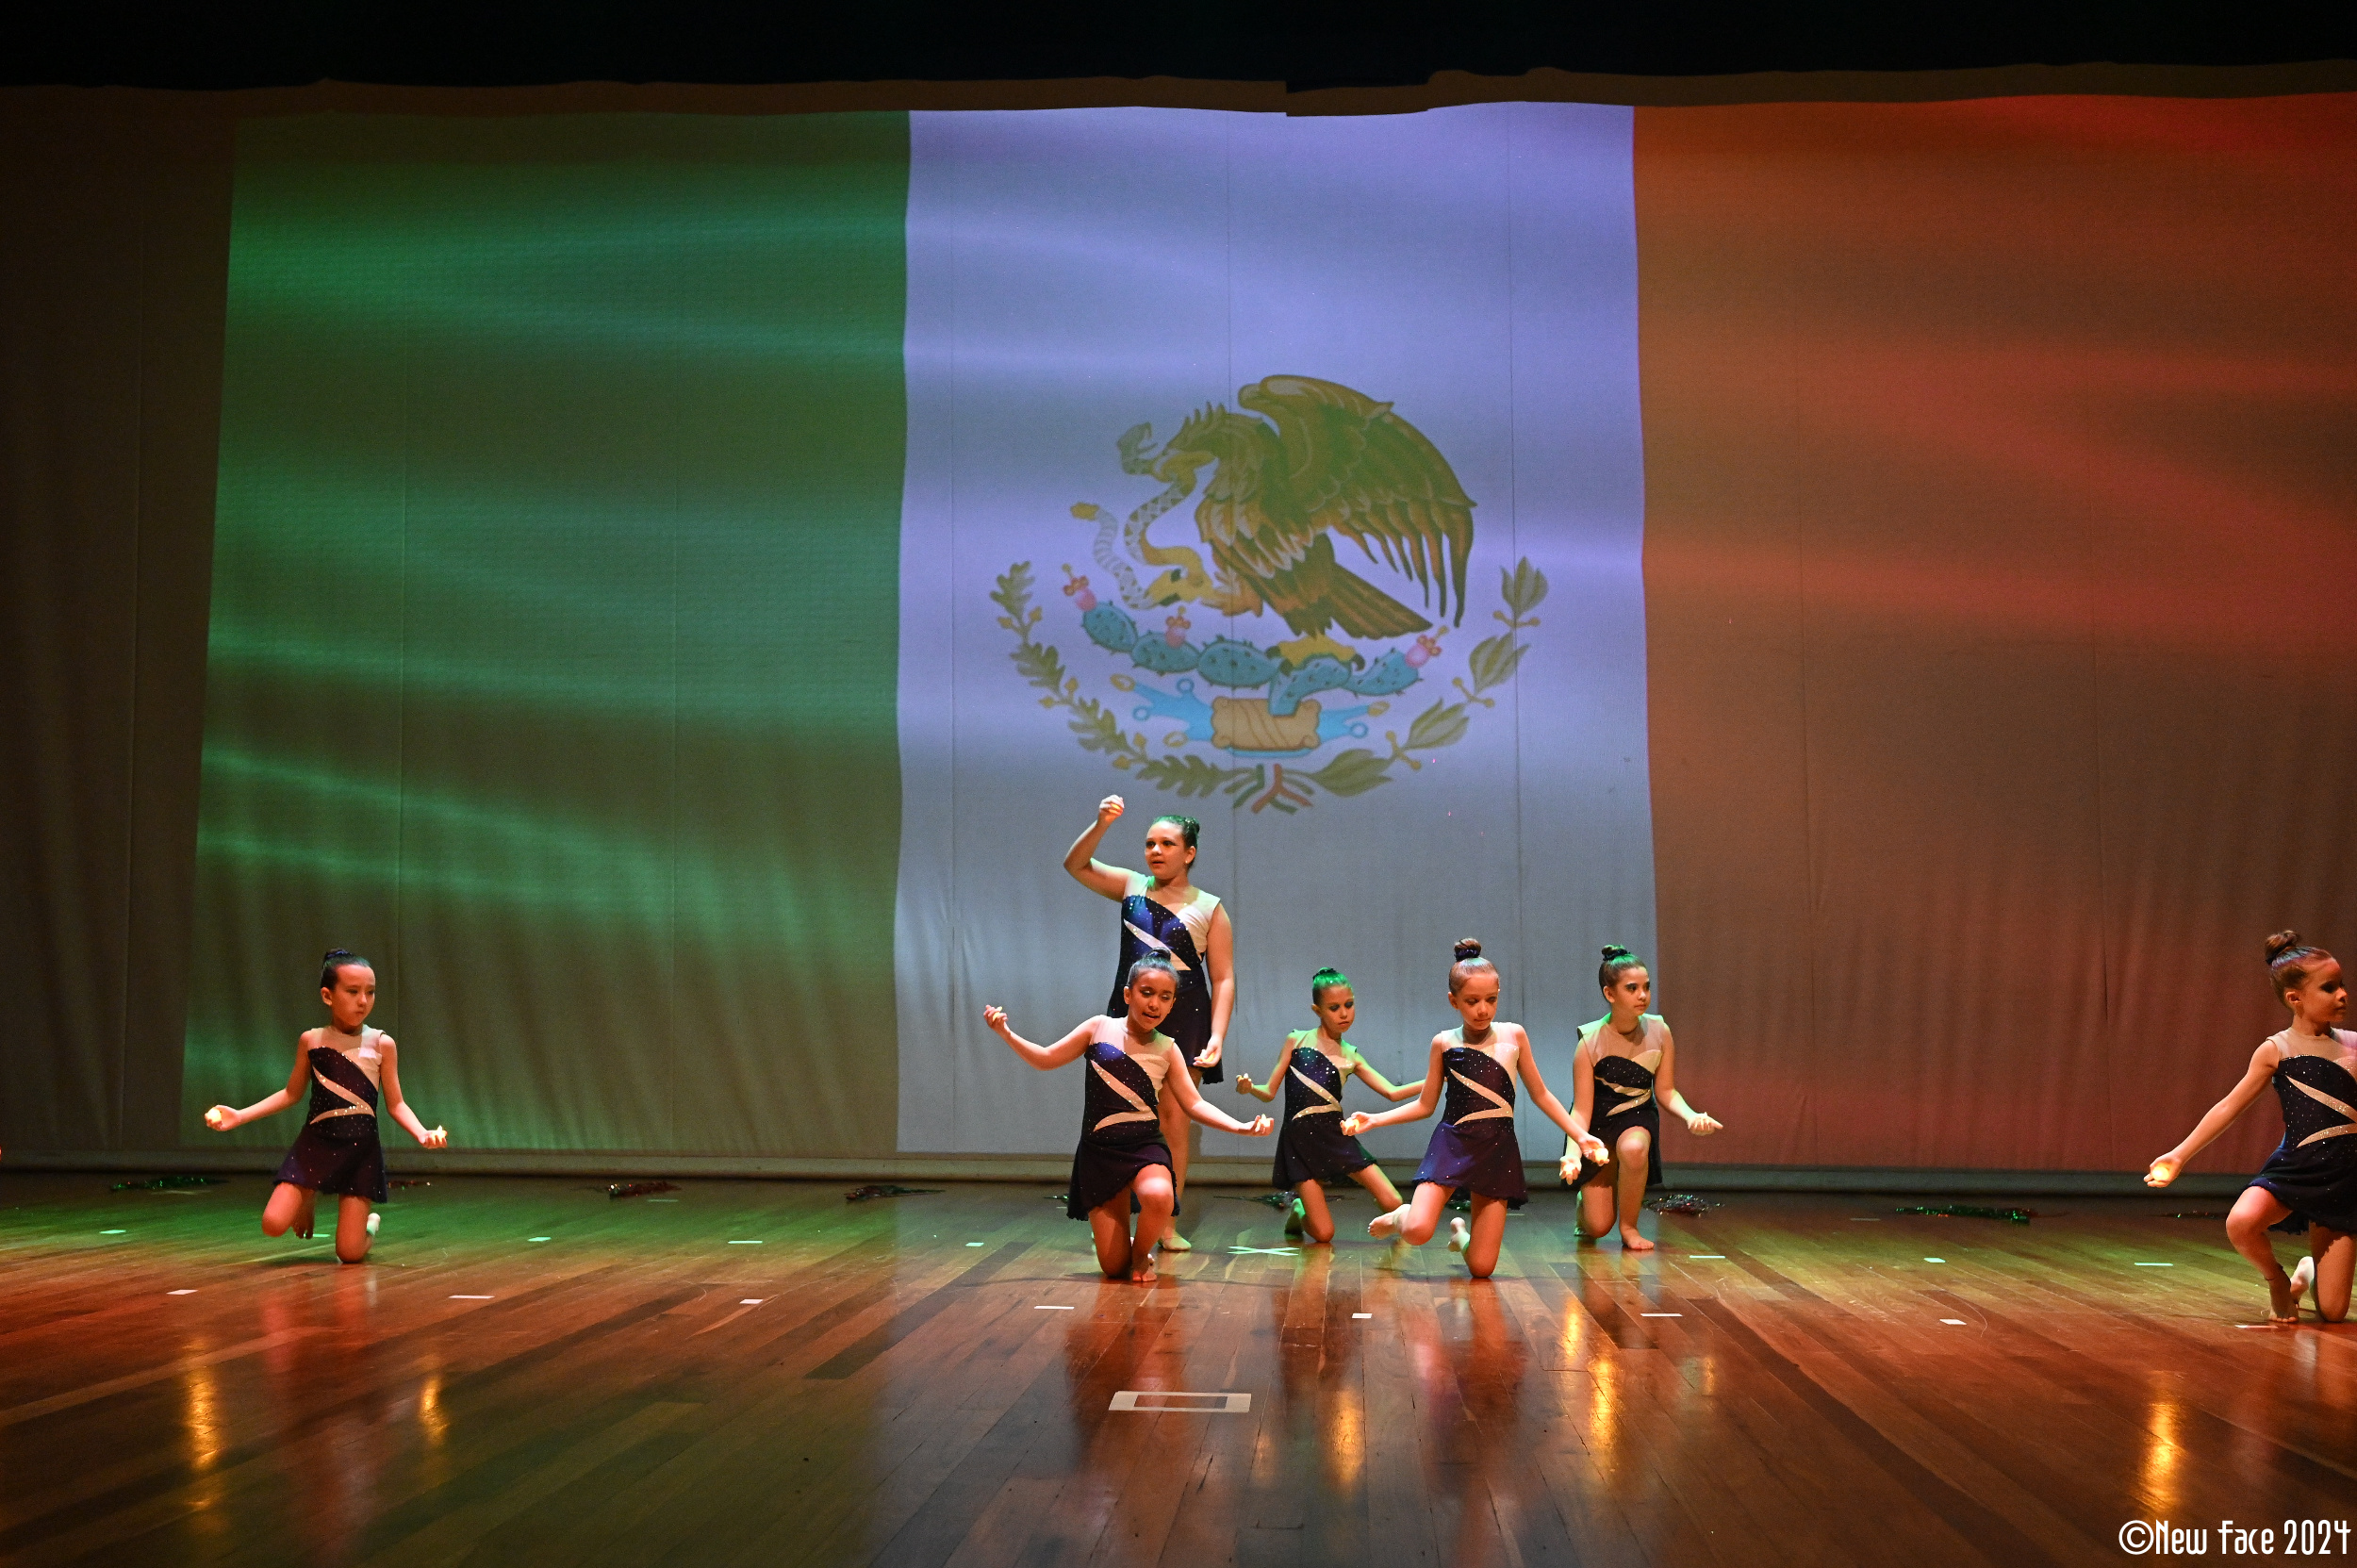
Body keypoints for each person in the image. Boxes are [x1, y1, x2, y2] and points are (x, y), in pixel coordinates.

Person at [985, 954, 1271, 1282]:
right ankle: (1126, 1251)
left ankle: (1140, 1256)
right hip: (1099, 1152)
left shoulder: (1168, 1048)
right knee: (1112, 1268)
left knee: (1160, 1196)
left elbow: (1194, 1104)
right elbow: (1046, 1059)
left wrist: (1240, 1127)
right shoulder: (1098, 1028)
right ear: (1127, 994)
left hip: (1144, 1146)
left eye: (1165, 997)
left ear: (1173, 1004)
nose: (1154, 1003)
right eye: (1146, 993)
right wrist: (1006, 1033)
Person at [1343, 939, 1607, 1279]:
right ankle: (1400, 1217)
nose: (1483, 1009)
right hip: (1453, 1142)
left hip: (1497, 1148)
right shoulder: (1444, 1043)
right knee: (1418, 1231)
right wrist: (1375, 1119)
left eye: (1491, 1000)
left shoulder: (1514, 1036)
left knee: (1482, 1268)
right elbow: (1425, 1105)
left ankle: (1461, 1236)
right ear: (1453, 1001)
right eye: (1472, 1001)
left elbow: (1541, 1095)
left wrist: (1581, 1136)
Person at [2148, 931, 2355, 1325]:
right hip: (2296, 1169)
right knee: (2241, 1223)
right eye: (2329, 988)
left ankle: (2307, 1272)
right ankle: (2277, 1280)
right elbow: (2228, 1107)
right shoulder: (2277, 1050)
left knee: (2333, 1312)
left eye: (2342, 984)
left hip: (2343, 1180)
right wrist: (2179, 1155)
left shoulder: (2354, 1046)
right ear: (2295, 998)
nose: (2343, 994)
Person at [1063, 795, 1235, 1251]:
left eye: (1167, 844)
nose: (1155, 851)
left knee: (1175, 1120)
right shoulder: (1131, 886)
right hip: (1129, 1017)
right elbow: (1076, 864)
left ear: (1189, 853)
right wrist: (1101, 823)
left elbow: (1223, 978)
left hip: (1187, 1017)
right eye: (1149, 843)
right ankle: (1116, 1213)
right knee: (1117, 1114)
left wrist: (1217, 1035)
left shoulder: (1210, 907)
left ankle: (1166, 1224)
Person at [204, 949, 447, 1264]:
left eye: (370, 992)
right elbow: (290, 1094)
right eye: (353, 991)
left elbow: (396, 1104)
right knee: (273, 1224)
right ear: (327, 996)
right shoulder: (312, 1040)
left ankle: (370, 1224)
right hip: (316, 1145)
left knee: (349, 1253)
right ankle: (308, 1193)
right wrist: (240, 1115)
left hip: (360, 1150)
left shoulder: (382, 1044)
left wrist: (421, 1132)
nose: (363, 1001)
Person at [1234, 966, 1423, 1243]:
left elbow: (1392, 1093)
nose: (1344, 1013)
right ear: (1317, 1010)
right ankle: (1299, 1209)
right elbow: (1269, 1092)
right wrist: (1250, 1088)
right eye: (1334, 1008)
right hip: (1300, 1140)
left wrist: (1436, 1078)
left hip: (1336, 1136)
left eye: (1349, 1005)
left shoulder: (1350, 1055)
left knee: (1393, 1201)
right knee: (1324, 1234)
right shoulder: (1296, 1040)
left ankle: (1389, 1226)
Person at [1565, 945, 1722, 1250]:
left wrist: (1691, 1116)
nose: (1642, 995)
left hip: (1637, 1113)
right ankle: (1587, 1202)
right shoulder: (1589, 1041)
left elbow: (1666, 1090)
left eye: (1646, 987)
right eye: (1632, 988)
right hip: (1597, 1121)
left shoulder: (1660, 1030)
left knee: (1635, 1148)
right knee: (1597, 1227)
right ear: (1610, 994)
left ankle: (1629, 1226)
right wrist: (1574, 1152)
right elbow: (1581, 1110)